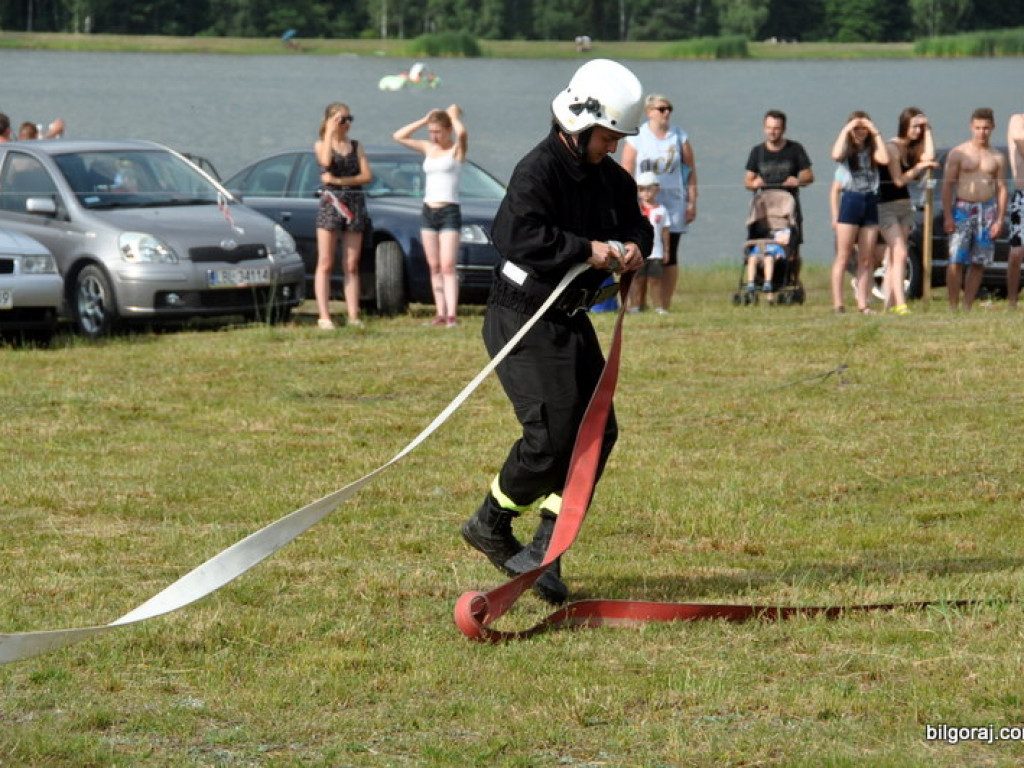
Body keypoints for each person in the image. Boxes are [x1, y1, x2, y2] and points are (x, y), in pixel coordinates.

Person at [460, 59, 653, 605]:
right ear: (579, 125)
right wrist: (584, 249)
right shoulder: (536, 171)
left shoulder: (611, 178)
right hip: (521, 315)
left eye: (618, 137)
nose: (613, 146)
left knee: (597, 431)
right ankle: (490, 525)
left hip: (568, 317)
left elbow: (636, 224)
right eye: (607, 135)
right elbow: (514, 235)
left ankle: (546, 545)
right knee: (549, 436)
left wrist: (638, 246)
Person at [392, 105, 468, 327]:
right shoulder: (428, 148)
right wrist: (424, 120)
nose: (434, 136)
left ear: (448, 130)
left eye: (438, 131)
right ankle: (440, 312)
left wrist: (453, 117)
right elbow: (399, 136)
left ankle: (452, 315)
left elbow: (462, 134)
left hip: (449, 210)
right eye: (431, 132)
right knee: (433, 265)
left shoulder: (456, 150)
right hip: (428, 210)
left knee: (447, 265)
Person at [620, 93, 696, 312]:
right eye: (661, 109)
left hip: (672, 203)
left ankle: (663, 304)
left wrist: (692, 202)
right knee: (638, 251)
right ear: (649, 111)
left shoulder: (679, 136)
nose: (666, 113)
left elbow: (690, 171)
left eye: (669, 108)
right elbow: (626, 171)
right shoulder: (637, 137)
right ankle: (636, 303)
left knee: (669, 254)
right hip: (642, 204)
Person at [942, 107, 1008, 311]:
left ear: (993, 128)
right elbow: (947, 185)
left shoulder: (997, 156)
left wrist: (999, 219)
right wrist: (947, 216)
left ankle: (967, 305)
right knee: (956, 259)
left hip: (986, 209)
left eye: (986, 128)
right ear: (971, 127)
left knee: (979, 261)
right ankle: (953, 306)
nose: (982, 132)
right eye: (978, 128)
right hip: (963, 207)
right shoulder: (959, 153)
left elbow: (1002, 188)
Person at [314, 102, 372, 329]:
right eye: (341, 119)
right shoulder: (321, 144)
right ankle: (324, 315)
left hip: (354, 202)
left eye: (349, 119)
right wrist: (329, 131)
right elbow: (326, 162)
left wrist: (339, 181)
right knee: (326, 262)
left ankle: (353, 314)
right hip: (331, 203)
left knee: (351, 263)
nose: (346, 124)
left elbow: (366, 175)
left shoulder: (356, 146)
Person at [876, 108, 938, 314]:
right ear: (904, 125)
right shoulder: (892, 148)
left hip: (904, 205)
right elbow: (898, 180)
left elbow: (929, 155)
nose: (917, 131)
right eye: (915, 127)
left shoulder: (913, 147)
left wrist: (928, 129)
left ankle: (889, 304)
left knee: (895, 258)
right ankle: (901, 304)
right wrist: (920, 167)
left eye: (920, 127)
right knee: (901, 253)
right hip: (886, 206)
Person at [830, 111, 890, 314]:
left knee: (867, 258)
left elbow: (884, 158)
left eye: (863, 128)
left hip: (870, 200)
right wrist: (847, 129)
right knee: (844, 255)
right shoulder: (847, 151)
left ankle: (863, 303)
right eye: (857, 128)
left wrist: (875, 131)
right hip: (851, 199)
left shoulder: (872, 149)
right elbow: (835, 154)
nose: (860, 131)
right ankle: (838, 303)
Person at [744, 109, 814, 267]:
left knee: (792, 249)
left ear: (783, 129)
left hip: (789, 207)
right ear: (764, 128)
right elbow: (747, 181)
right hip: (765, 209)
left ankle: (793, 280)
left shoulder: (795, 149)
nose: (772, 132)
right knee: (762, 246)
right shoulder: (757, 152)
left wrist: (798, 180)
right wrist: (754, 183)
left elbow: (809, 176)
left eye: (776, 128)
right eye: (769, 128)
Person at [628, 170, 671, 312]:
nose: (645, 193)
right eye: (641, 189)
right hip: (640, 251)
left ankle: (658, 306)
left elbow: (665, 232)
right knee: (637, 279)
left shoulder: (662, 211)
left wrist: (666, 250)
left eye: (648, 189)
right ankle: (635, 305)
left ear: (656, 189)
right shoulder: (635, 210)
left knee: (655, 280)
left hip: (656, 253)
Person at [1006, 111, 1024, 308]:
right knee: (1017, 252)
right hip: (1022, 196)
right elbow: (1019, 139)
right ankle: (1012, 300)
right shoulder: (1018, 120)